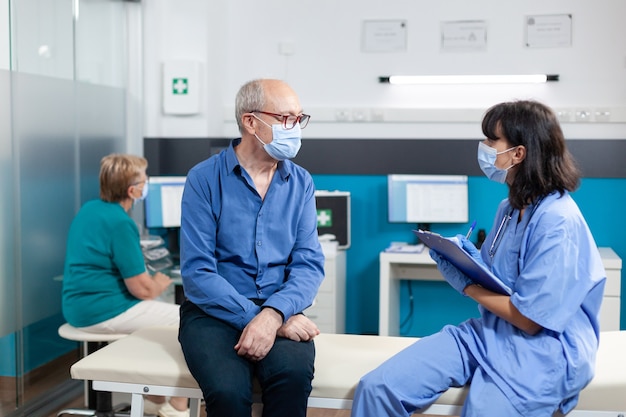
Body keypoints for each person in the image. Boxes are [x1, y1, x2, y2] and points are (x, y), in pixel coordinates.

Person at [351, 100, 607, 417]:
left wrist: (467, 285)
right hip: (489, 333)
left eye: (491, 140)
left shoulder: (559, 221)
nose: (483, 147)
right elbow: (498, 278)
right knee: (378, 388)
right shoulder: (510, 208)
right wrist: (462, 259)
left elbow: (530, 319)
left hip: (542, 353)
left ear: (518, 154)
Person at [177, 78, 325, 417]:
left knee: (292, 378)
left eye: (299, 119)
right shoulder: (204, 179)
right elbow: (198, 273)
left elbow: (308, 265)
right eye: (286, 118)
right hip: (212, 313)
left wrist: (274, 314)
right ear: (250, 121)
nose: (295, 129)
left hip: (279, 308)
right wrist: (257, 318)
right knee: (228, 393)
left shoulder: (300, 182)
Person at [62, 153, 189, 417]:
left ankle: (155, 398)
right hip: (101, 310)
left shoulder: (90, 209)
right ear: (133, 190)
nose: (147, 185)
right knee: (185, 319)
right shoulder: (121, 223)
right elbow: (141, 290)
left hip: (77, 307)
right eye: (145, 180)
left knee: (159, 314)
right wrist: (159, 281)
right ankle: (178, 405)